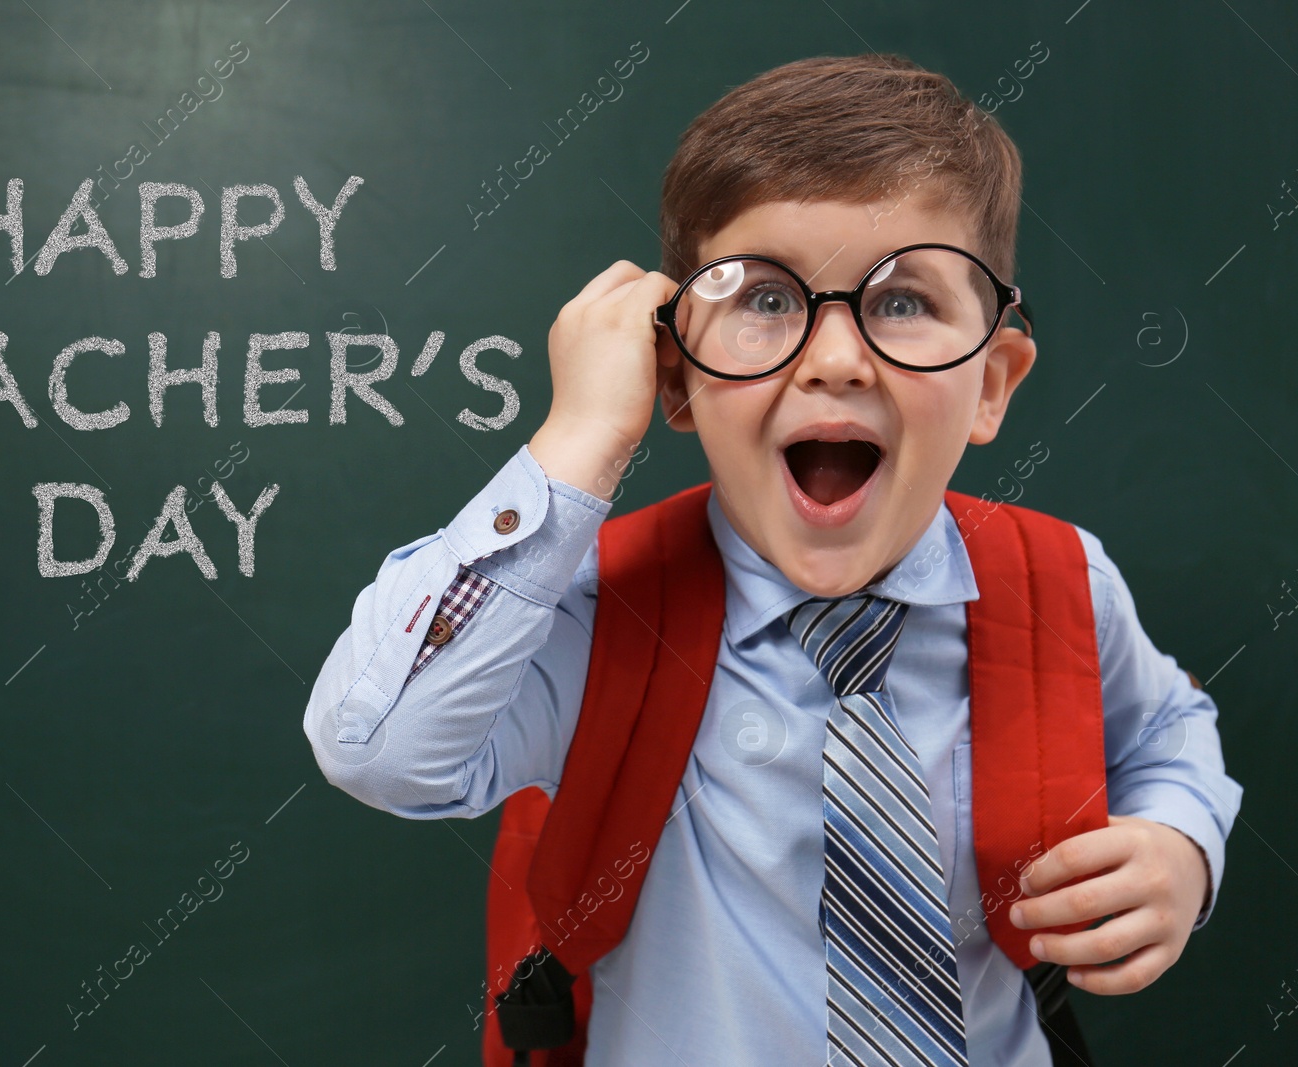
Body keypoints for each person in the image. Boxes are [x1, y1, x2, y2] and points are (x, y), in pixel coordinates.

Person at [303, 52, 1243, 1065]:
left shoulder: (1060, 581)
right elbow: (377, 749)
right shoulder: (593, 611)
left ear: (990, 385)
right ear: (674, 375)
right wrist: (577, 441)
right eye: (761, 298)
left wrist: (1180, 842)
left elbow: (1166, 727)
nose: (835, 357)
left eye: (902, 300)